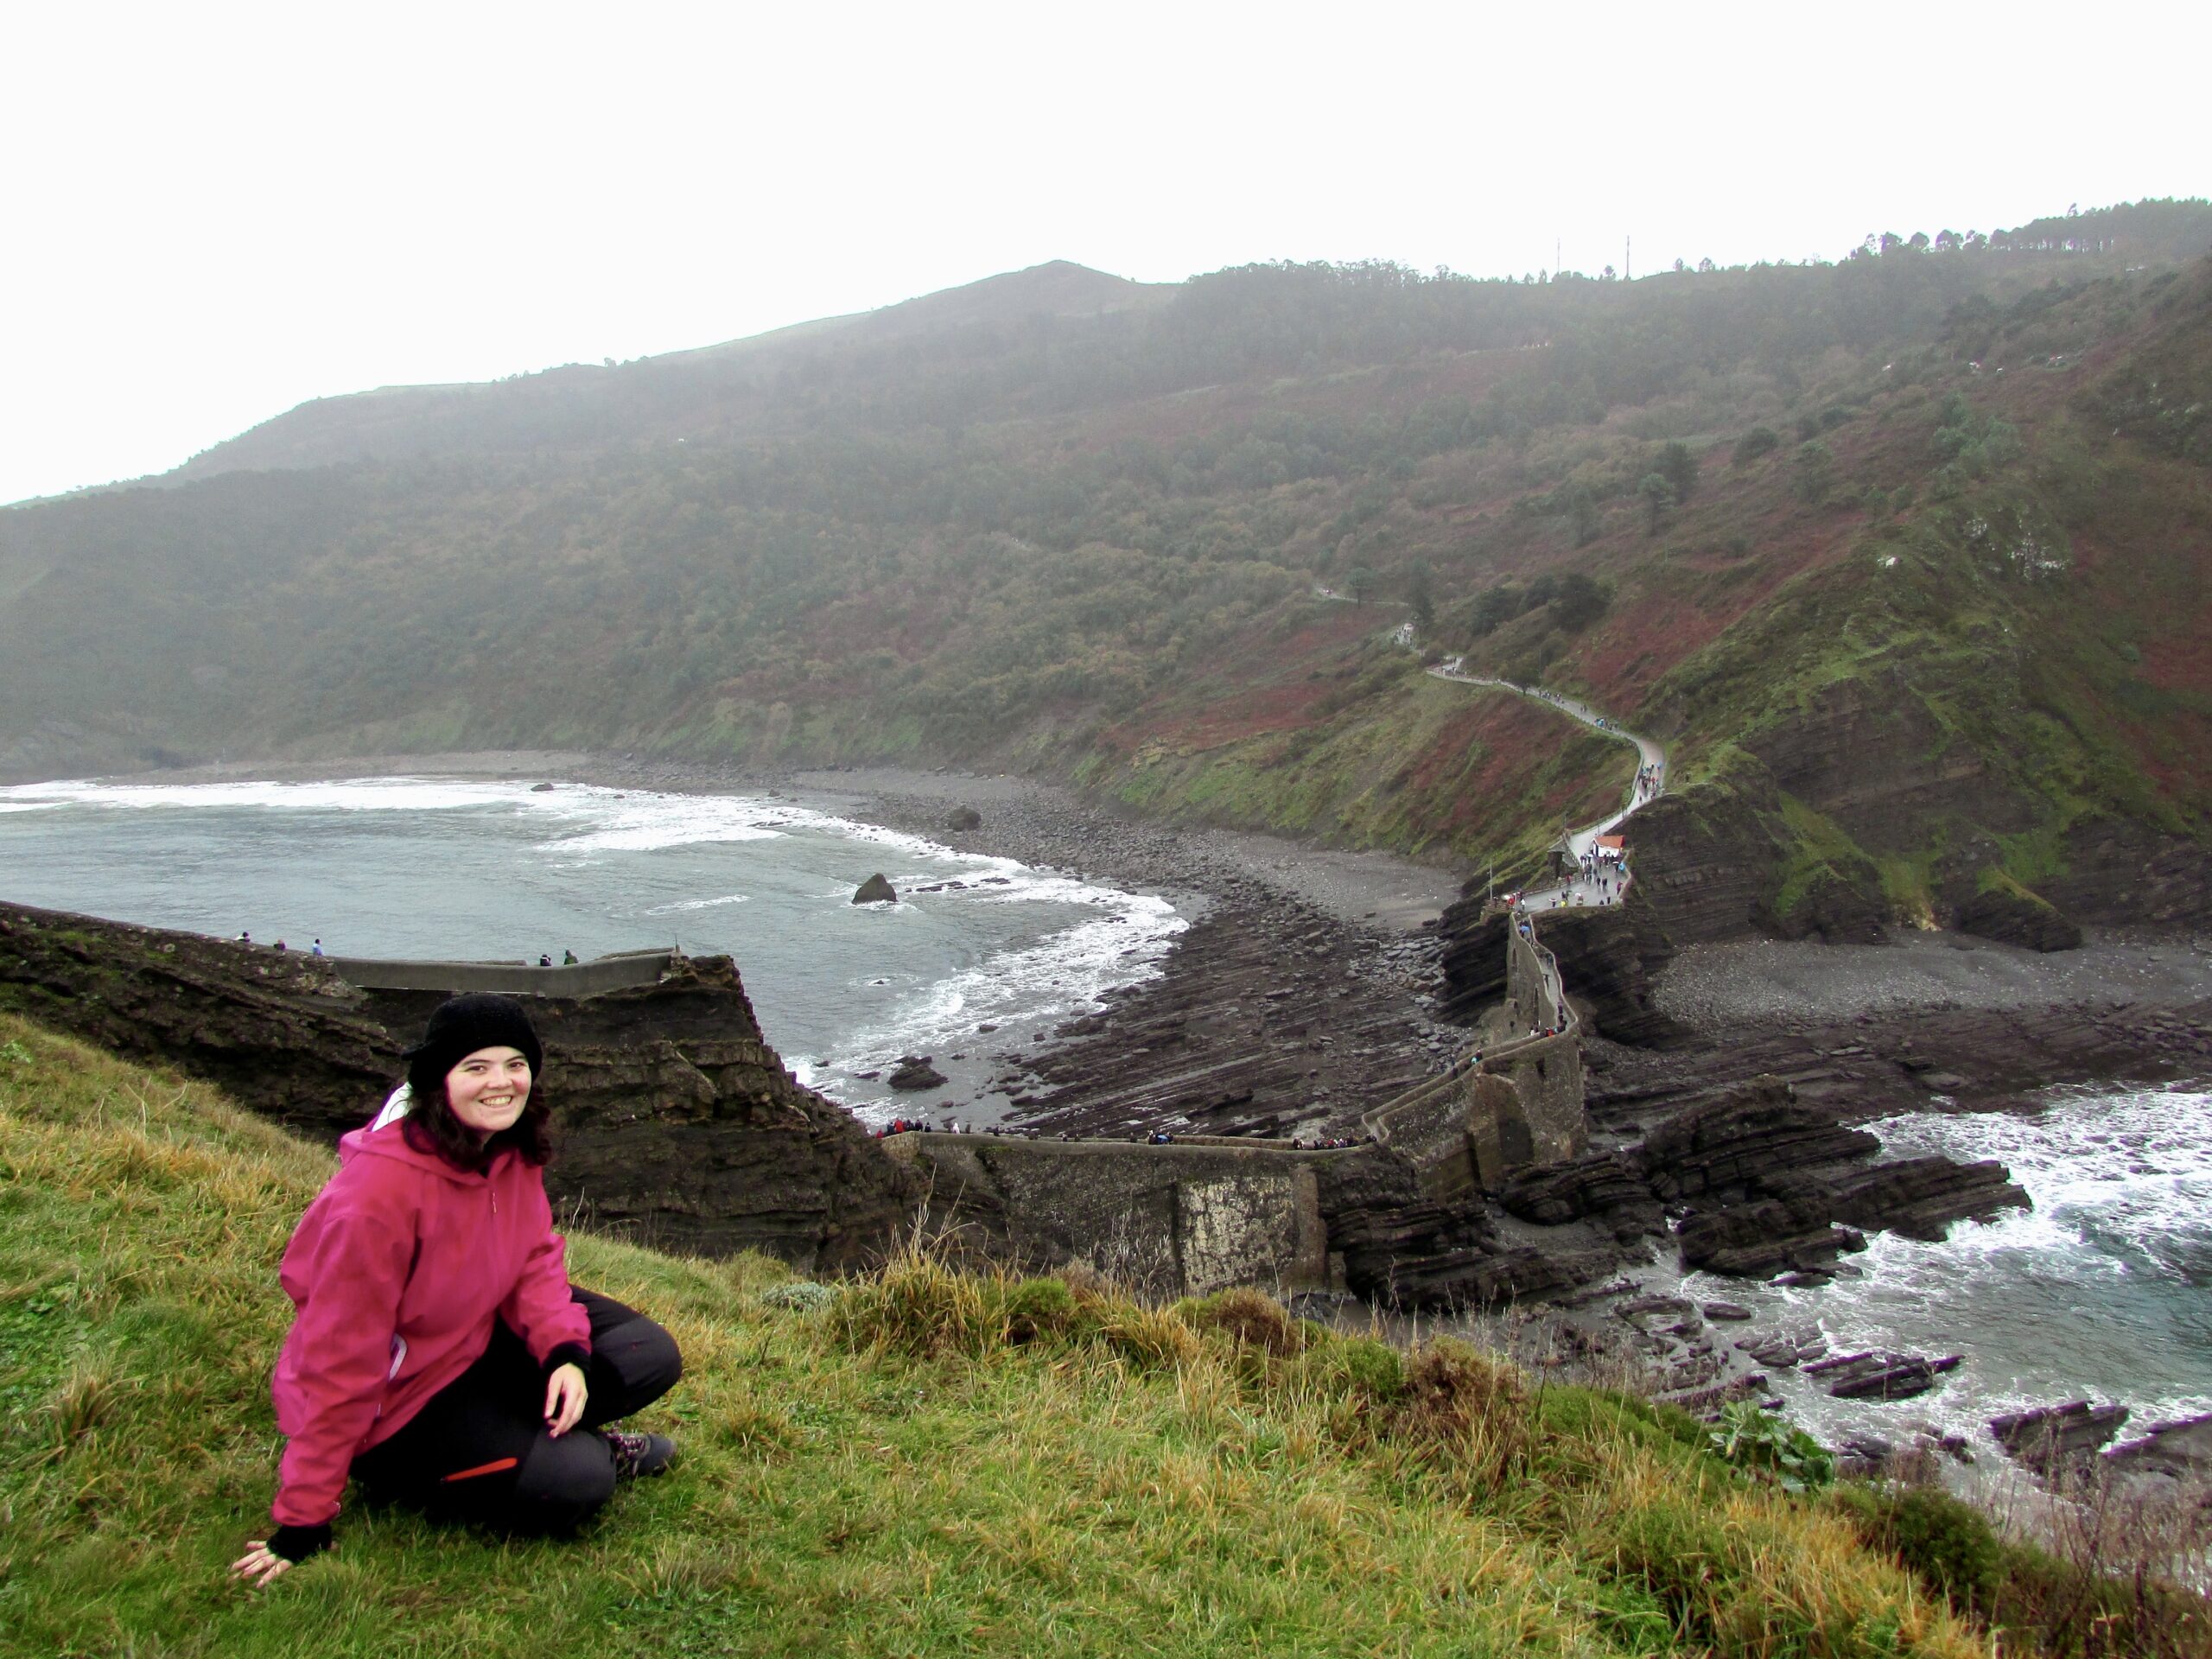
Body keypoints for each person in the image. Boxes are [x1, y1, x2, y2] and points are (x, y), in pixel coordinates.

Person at [231, 995, 683, 1587]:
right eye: (477, 1068)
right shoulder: (375, 1199)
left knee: (646, 1356)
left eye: (515, 1063)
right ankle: (551, 1452)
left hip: (469, 1341)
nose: (501, 1083)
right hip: (394, 1408)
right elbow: (339, 1360)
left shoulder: (507, 1146)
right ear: (438, 1082)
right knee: (580, 1481)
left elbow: (533, 1258)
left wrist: (564, 1351)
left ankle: (534, 1431)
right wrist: (302, 1518)